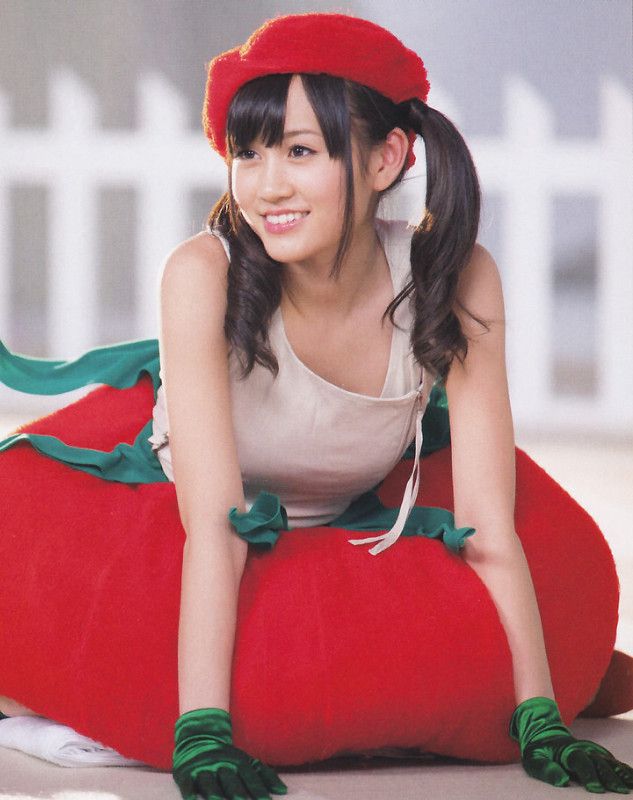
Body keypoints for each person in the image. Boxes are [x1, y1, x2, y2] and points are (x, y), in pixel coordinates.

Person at [1, 11, 632, 800]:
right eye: (248, 152)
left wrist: (538, 718)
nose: (266, 185)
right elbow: (216, 525)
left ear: (385, 158)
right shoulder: (202, 273)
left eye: (299, 151)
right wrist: (202, 727)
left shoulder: (454, 277)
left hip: (351, 503)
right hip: (183, 503)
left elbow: (487, 524)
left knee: (559, 568)